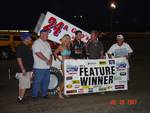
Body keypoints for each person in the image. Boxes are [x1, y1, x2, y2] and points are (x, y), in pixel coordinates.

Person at [32, 29, 52, 100]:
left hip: (47, 67)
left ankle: (44, 94)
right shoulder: (36, 43)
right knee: (37, 81)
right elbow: (37, 53)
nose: (47, 36)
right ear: (41, 35)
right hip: (39, 67)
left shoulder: (47, 43)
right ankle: (34, 95)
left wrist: (50, 62)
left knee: (46, 81)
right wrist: (46, 60)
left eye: (47, 34)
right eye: (45, 34)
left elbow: (50, 54)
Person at [16, 32, 34, 103]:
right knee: (24, 85)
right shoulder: (21, 46)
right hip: (24, 70)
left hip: (28, 69)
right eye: (29, 37)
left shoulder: (26, 46)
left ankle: (20, 97)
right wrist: (22, 69)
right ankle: (21, 99)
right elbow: (19, 58)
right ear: (25, 39)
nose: (30, 39)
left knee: (23, 85)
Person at [54, 34, 71, 99]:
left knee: (67, 79)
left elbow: (68, 56)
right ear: (64, 39)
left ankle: (64, 91)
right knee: (65, 79)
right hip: (63, 64)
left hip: (68, 64)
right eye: (66, 38)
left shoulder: (68, 46)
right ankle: (59, 92)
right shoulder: (61, 46)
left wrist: (72, 59)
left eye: (69, 38)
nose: (68, 40)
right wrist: (60, 60)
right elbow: (55, 53)